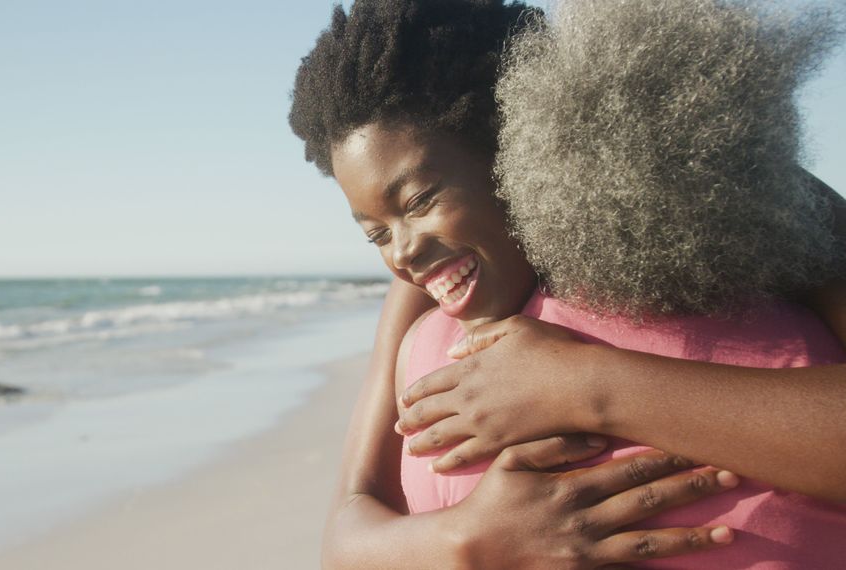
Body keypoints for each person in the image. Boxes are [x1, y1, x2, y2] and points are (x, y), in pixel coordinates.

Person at [287, 0, 846, 568]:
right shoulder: (425, 296)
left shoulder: (719, 190)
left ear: (515, 145)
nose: (403, 248)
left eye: (422, 200)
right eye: (375, 234)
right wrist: (471, 539)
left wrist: (581, 384)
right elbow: (346, 533)